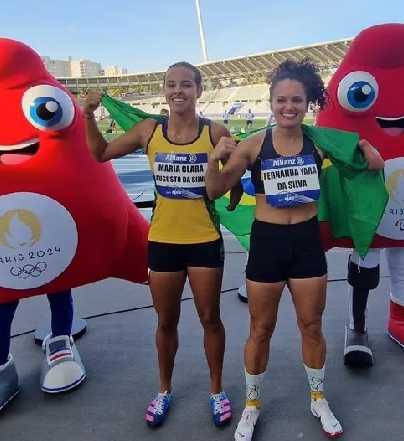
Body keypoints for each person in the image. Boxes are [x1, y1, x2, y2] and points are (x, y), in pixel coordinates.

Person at [205, 58, 384, 440]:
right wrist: (213, 157)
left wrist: (371, 155)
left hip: (306, 245)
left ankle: (318, 398)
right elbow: (215, 190)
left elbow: (368, 166)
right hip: (268, 245)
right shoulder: (254, 145)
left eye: (297, 100)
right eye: (281, 100)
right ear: (271, 102)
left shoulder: (320, 143)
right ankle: (252, 405)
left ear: (307, 103)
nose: (289, 107)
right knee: (260, 328)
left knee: (311, 326)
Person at [82, 61, 241, 428]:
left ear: (199, 91)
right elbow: (100, 154)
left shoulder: (215, 132)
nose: (178, 91)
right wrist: (89, 116)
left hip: (204, 241)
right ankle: (164, 389)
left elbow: (234, 175)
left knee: (209, 318)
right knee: (166, 321)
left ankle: (216, 390)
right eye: (171, 85)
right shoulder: (148, 130)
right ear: (164, 90)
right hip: (163, 243)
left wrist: (231, 191)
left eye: (186, 84)